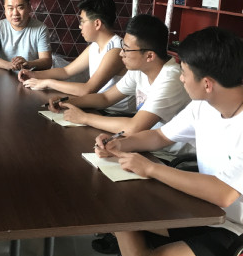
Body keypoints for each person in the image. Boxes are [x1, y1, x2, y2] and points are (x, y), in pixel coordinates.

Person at [96, 26, 243, 256]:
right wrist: (120, 144)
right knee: (124, 213)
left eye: (184, 72)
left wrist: (151, 168)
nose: (181, 78)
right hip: (210, 213)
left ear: (207, 84)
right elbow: (160, 136)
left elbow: (225, 193)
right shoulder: (206, 104)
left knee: (130, 230)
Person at [48, 15, 191, 155]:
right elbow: (105, 98)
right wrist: (67, 102)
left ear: (149, 56)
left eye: (126, 49)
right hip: (147, 145)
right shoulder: (140, 69)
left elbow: (134, 127)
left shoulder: (170, 78)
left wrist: (84, 118)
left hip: (173, 157)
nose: (121, 54)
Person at [18, 0, 133, 114]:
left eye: (82, 21)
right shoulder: (94, 46)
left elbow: (87, 89)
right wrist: (33, 74)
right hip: (97, 108)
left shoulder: (116, 50)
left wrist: (47, 82)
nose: (79, 26)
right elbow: (66, 71)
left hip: (116, 115)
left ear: (97, 24)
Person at [0, 0, 52, 71]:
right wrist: (10, 65)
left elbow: (47, 61)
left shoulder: (41, 29)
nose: (15, 13)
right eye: (10, 8)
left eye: (20, 7)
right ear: (5, 9)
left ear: (29, 7)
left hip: (31, 75)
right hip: (5, 73)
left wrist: (27, 64)